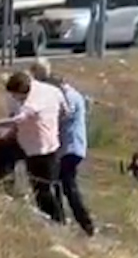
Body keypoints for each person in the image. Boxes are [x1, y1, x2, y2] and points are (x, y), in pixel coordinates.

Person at [0, 70, 65, 222]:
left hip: (38, 148)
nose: (16, 99)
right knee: (2, 148)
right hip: (47, 143)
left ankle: (56, 221)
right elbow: (65, 110)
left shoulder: (31, 102)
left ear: (22, 91)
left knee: (42, 189)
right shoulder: (51, 90)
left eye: (16, 96)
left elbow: (18, 119)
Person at [31, 59, 96, 236]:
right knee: (60, 183)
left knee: (67, 185)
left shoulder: (69, 97)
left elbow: (61, 117)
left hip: (70, 148)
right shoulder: (72, 95)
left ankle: (83, 223)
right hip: (69, 148)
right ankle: (65, 219)